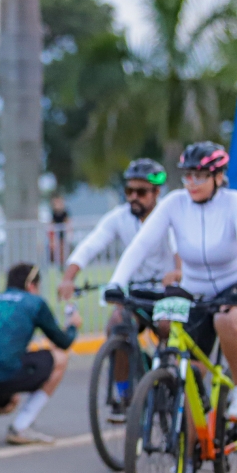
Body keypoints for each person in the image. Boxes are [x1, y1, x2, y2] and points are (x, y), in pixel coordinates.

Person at [105, 141, 237, 420]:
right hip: (196, 289)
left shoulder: (235, 203)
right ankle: (188, 435)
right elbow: (140, 245)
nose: (191, 183)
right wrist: (117, 283)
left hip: (236, 284)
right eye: (187, 176)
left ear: (218, 177)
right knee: (185, 364)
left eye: (199, 176)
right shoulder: (175, 203)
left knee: (227, 320)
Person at [57, 159, 181, 421]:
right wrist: (69, 277)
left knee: (166, 327)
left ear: (156, 193)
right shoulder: (119, 217)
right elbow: (91, 245)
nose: (133, 197)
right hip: (136, 292)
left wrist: (178, 272)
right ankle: (125, 397)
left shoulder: (168, 214)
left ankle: (171, 376)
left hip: (167, 293)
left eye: (141, 192)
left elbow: (178, 249)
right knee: (117, 326)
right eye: (129, 191)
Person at [0, 263, 83, 444]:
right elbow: (63, 342)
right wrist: (72, 326)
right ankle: (21, 427)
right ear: (31, 285)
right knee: (59, 359)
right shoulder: (34, 302)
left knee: (11, 399)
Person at [48, 191, 72, 266]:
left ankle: (64, 264)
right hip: (56, 236)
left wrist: (69, 233)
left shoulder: (65, 213)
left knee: (63, 250)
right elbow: (51, 223)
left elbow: (68, 222)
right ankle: (58, 265)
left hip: (63, 235)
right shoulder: (53, 213)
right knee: (56, 250)